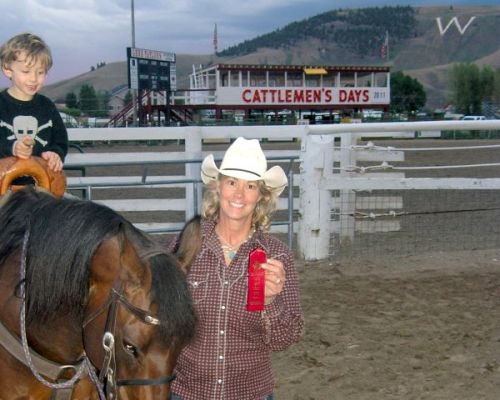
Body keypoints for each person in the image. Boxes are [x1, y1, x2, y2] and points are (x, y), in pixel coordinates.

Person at [168, 137, 304, 400]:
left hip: (251, 393)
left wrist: (271, 302)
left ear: (261, 196)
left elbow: (285, 339)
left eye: (250, 186)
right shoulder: (184, 246)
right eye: (232, 182)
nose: (239, 194)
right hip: (188, 393)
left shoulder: (277, 256)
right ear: (218, 188)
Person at [0, 32, 68, 173]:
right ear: (7, 70)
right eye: (26, 71)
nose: (34, 79)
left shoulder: (47, 106)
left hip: (41, 188)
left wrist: (55, 154)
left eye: (40, 72)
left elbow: (60, 141)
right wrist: (12, 148)